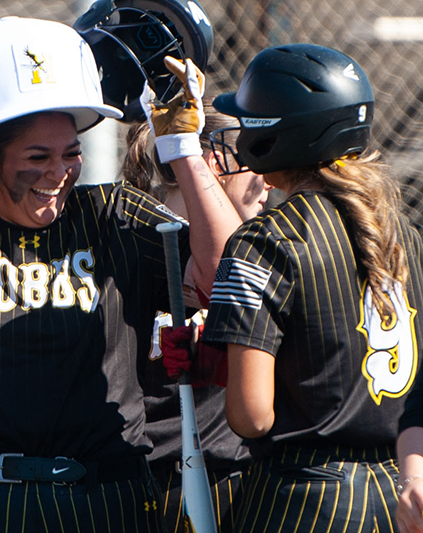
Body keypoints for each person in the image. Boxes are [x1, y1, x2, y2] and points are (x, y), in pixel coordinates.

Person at [0, 16, 242, 532]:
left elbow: (228, 283)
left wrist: (184, 150)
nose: (59, 172)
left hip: (103, 497)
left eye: (71, 154)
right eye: (36, 157)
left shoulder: (112, 213)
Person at [197, 43, 423, 532]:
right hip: (398, 493)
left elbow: (251, 416)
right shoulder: (404, 234)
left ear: (282, 135)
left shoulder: (264, 238)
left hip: (303, 499)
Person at [122, 100, 271, 533]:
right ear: (215, 162)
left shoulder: (265, 245)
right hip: (145, 477)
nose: (269, 180)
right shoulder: (133, 241)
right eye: (256, 158)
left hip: (224, 475)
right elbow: (220, 268)